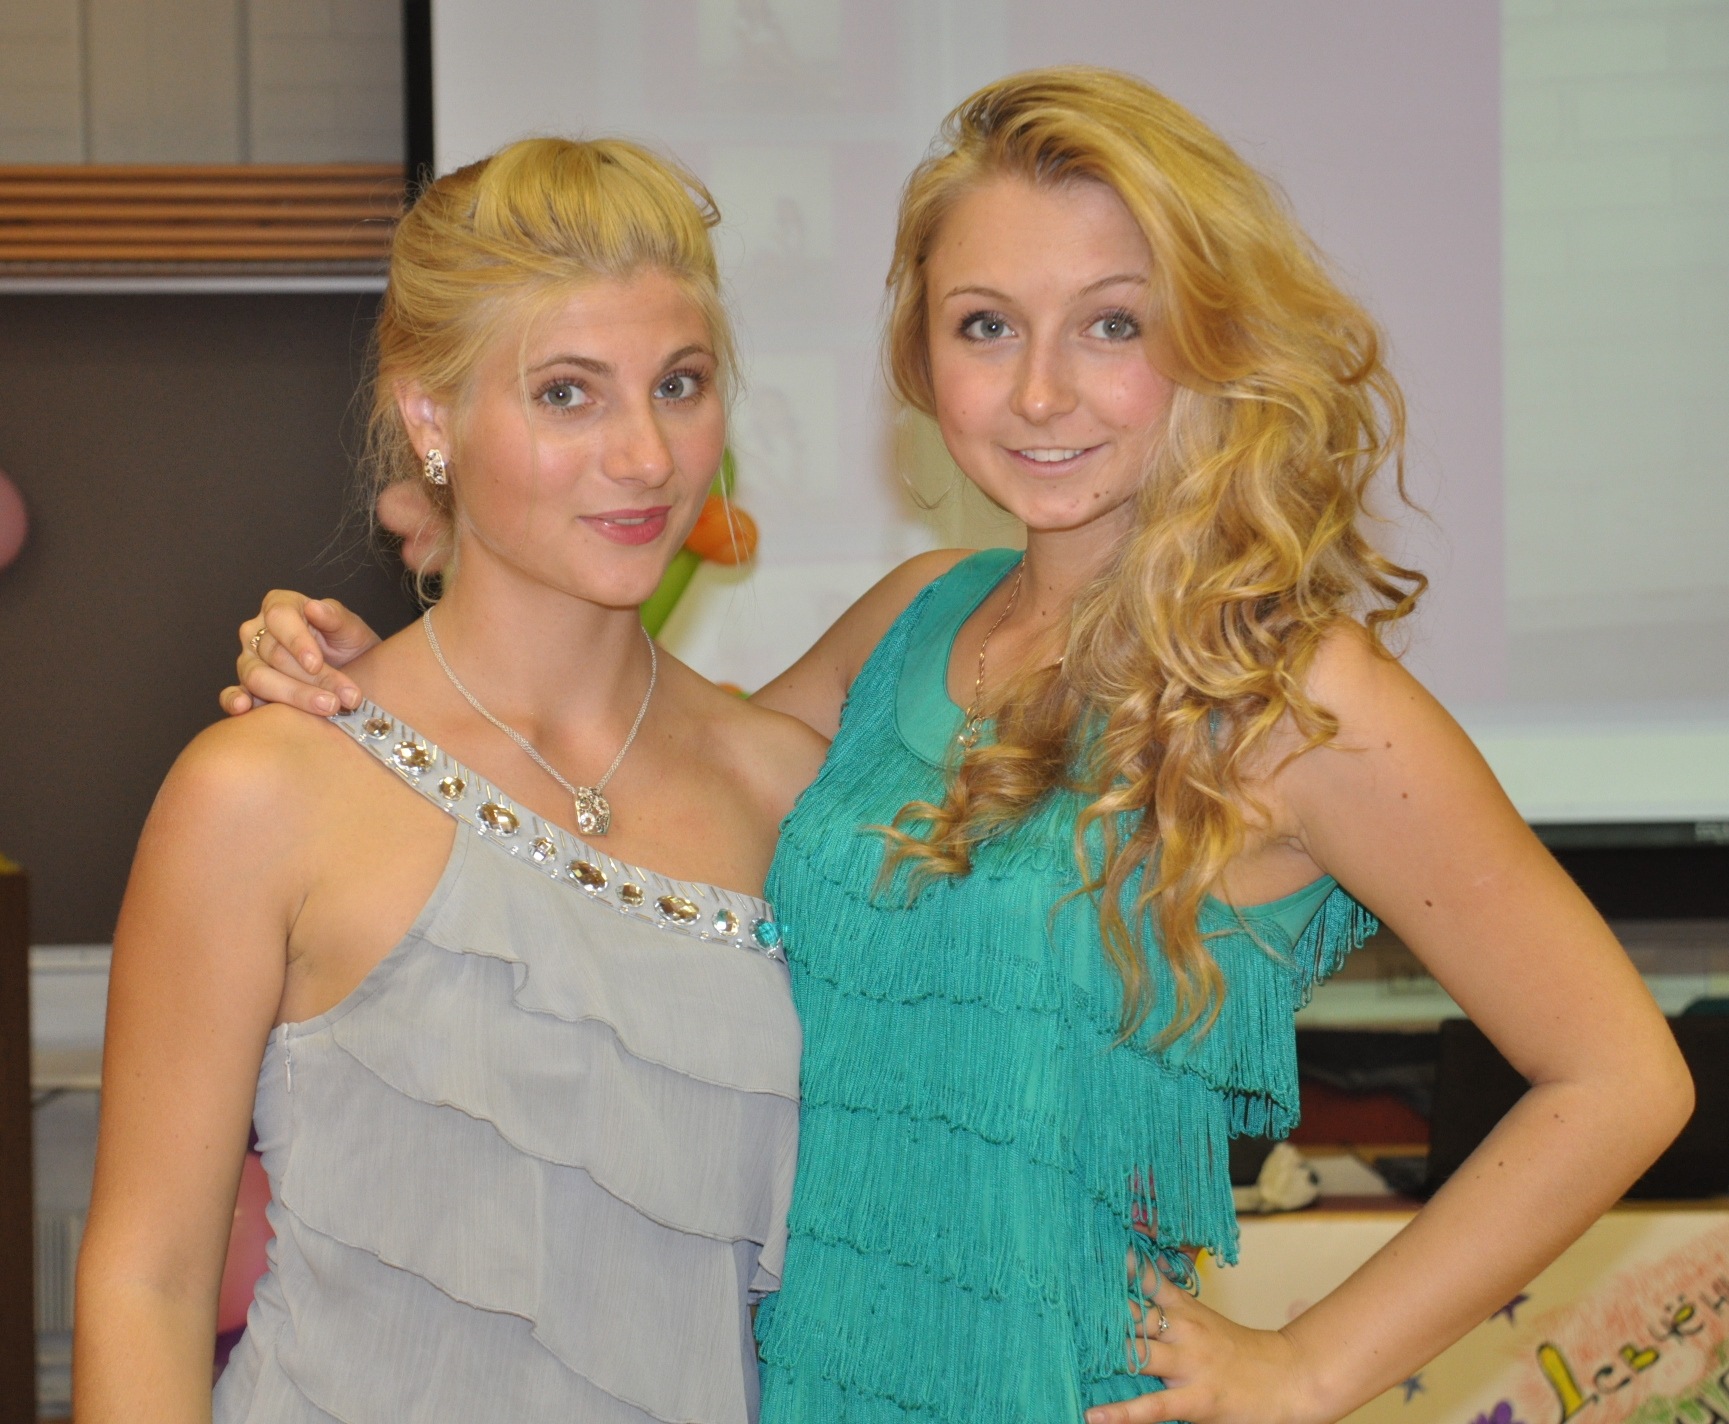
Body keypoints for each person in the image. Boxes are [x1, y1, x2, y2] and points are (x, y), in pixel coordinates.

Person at [221, 68, 1693, 1424]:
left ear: (1209, 337)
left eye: (1111, 324)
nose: (1041, 391)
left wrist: (1310, 1365)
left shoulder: (1298, 700)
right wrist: (385, 690)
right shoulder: (913, 621)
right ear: (921, 357)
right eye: (986, 324)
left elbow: (1622, 1076)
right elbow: (618, 777)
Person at [74, 136, 826, 1424]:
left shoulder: (790, 794)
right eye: (568, 393)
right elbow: (147, 1280)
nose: (647, 455)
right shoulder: (266, 787)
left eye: (681, 383)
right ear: (431, 418)